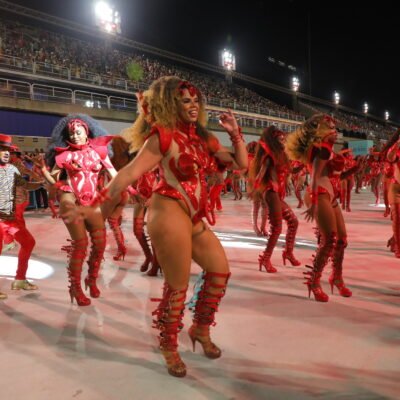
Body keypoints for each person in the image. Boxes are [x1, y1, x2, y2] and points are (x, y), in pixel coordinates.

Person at [62, 76, 248, 378]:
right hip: (168, 210)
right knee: (177, 285)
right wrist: (98, 206)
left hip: (195, 217)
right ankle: (168, 344)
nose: (192, 104)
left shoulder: (204, 138)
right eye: (184, 100)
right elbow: (127, 174)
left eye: (195, 100)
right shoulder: (162, 136)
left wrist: (235, 133)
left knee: (219, 271)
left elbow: (242, 165)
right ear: (170, 103)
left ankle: (199, 329)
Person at [43, 114, 118, 306]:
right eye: (71, 133)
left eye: (78, 132)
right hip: (71, 200)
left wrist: (119, 189)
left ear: (87, 132)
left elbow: (114, 175)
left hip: (93, 202)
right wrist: (57, 184)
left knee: (100, 244)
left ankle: (91, 279)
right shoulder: (63, 155)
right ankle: (75, 288)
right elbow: (54, 177)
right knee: (80, 245)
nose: (75, 136)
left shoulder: (99, 152)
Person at [286, 114, 352, 302]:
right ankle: (314, 282)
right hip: (320, 193)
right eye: (331, 127)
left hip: (329, 195)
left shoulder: (324, 148)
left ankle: (336, 278)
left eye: (335, 126)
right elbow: (315, 175)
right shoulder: (322, 148)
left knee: (341, 240)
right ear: (320, 130)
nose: (336, 130)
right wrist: (314, 202)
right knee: (329, 239)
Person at [248, 126, 300, 273]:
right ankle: (265, 258)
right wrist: (255, 189)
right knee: (277, 227)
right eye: (280, 139)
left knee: (293, 222)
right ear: (274, 140)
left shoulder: (282, 155)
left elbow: (291, 171)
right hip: (270, 191)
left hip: (276, 193)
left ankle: (288, 253)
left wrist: (303, 165)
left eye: (284, 138)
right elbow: (262, 172)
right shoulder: (270, 155)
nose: (283, 141)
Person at [0, 134, 43, 299]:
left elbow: (25, 185)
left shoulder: (9, 168)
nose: (7, 154)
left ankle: (19, 279)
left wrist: (44, 181)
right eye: (3, 150)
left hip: (10, 218)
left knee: (28, 242)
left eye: (8, 150)